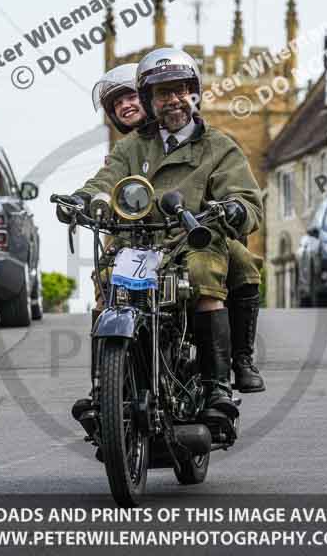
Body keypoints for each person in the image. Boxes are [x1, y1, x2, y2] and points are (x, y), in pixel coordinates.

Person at [59, 49, 263, 420]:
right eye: (163, 93)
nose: (173, 100)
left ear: (193, 93)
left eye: (180, 90)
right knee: (107, 283)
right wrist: (83, 199)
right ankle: (104, 388)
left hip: (194, 241)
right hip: (140, 243)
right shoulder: (132, 147)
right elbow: (106, 180)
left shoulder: (219, 146)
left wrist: (234, 208)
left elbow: (247, 200)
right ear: (150, 102)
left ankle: (218, 386)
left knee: (204, 275)